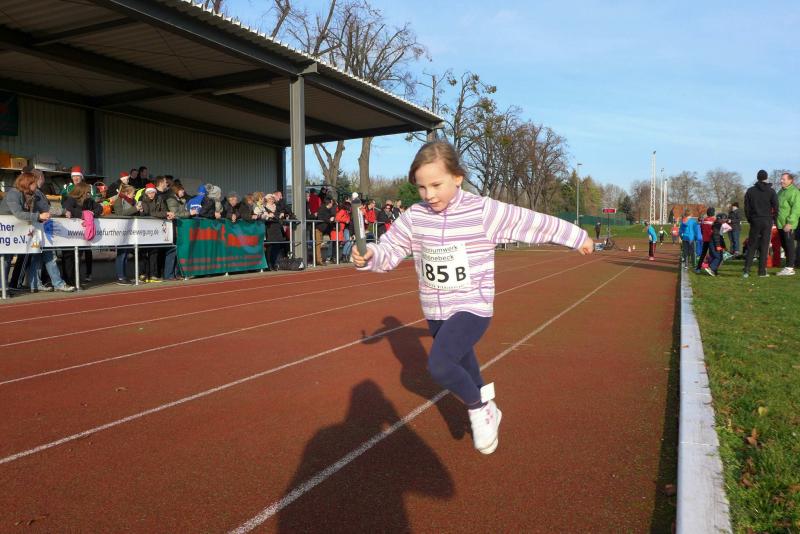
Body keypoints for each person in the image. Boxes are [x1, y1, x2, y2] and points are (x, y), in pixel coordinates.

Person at [351, 141, 593, 455]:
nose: (429, 194)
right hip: (435, 310)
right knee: (467, 367)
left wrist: (576, 236)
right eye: (422, 187)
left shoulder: (482, 211)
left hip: (472, 306)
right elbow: (391, 248)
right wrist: (371, 255)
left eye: (436, 185)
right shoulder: (415, 216)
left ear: (457, 177)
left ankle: (480, 408)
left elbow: (528, 221)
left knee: (440, 365)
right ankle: (486, 401)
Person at [0, 172, 75, 292]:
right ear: (28, 183)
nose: (37, 185)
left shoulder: (32, 195)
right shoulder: (13, 193)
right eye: (34, 182)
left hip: (20, 231)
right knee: (5, 259)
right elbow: (18, 213)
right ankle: (3, 288)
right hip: (5, 231)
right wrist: (39, 216)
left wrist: (61, 211)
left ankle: (10, 287)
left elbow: (44, 209)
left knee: (39, 255)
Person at [61, 182, 103, 287]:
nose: (89, 194)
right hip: (69, 234)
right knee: (69, 257)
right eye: (87, 192)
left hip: (81, 235)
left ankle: (76, 280)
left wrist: (91, 213)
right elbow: (67, 209)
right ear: (81, 192)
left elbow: (99, 208)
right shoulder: (70, 199)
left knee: (78, 257)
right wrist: (83, 214)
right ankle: (69, 281)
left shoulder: (89, 201)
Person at [743, 170, 779, 278]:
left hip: (755, 219)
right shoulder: (771, 191)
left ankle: (746, 270)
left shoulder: (750, 191)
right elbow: (776, 207)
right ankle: (762, 271)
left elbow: (747, 207)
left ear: (757, 178)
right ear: (766, 178)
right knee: (764, 245)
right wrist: (773, 219)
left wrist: (750, 219)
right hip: (767, 220)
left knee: (751, 245)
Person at [112, 184, 140, 284]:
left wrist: (139, 210)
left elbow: (134, 213)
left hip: (130, 230)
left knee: (126, 253)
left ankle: (124, 276)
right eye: (133, 193)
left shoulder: (133, 201)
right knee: (122, 254)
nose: (134, 195)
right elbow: (120, 213)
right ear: (127, 193)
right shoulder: (119, 201)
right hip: (121, 230)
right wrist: (135, 209)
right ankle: (120, 277)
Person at [775, 172, 799, 276]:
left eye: (784, 179)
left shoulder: (794, 192)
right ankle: (788, 266)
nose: (781, 181)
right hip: (780, 224)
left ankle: (790, 268)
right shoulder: (780, 191)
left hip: (788, 224)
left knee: (789, 245)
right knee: (784, 245)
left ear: (790, 180)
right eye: (781, 179)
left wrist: (790, 223)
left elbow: (796, 209)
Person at [695, 207, 715, 273]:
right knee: (713, 254)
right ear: (713, 213)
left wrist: (704, 235)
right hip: (712, 240)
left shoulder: (703, 221)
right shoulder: (714, 220)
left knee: (703, 254)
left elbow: (702, 230)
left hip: (705, 239)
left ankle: (698, 268)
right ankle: (711, 268)